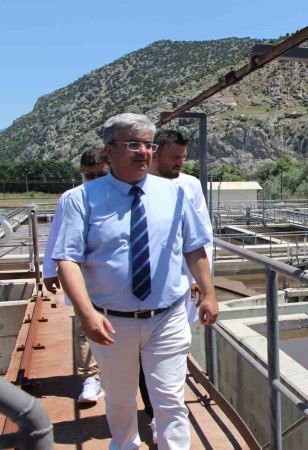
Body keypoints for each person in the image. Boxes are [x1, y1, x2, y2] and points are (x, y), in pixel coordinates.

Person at [53, 113, 218, 450]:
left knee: (171, 399)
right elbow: (67, 259)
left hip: (167, 317)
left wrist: (209, 294)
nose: (143, 152)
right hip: (111, 322)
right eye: (133, 144)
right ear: (109, 150)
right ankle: (125, 444)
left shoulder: (175, 193)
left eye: (148, 145)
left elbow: (194, 247)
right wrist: (86, 314)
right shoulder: (80, 200)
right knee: (120, 399)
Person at [137, 129, 214, 441]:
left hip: (178, 288)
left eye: (183, 157)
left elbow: (200, 237)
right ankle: (153, 412)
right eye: (174, 157)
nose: (180, 162)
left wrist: (200, 283)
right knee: (142, 359)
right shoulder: (137, 185)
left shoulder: (189, 185)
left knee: (171, 355)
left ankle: (164, 416)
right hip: (143, 288)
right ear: (155, 155)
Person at [43, 148, 109, 403]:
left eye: (100, 174)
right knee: (85, 325)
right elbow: (57, 235)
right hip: (82, 275)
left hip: (115, 279)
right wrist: (50, 270)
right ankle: (90, 377)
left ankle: (119, 374)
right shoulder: (72, 198)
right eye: (89, 175)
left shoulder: (122, 195)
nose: (94, 180)